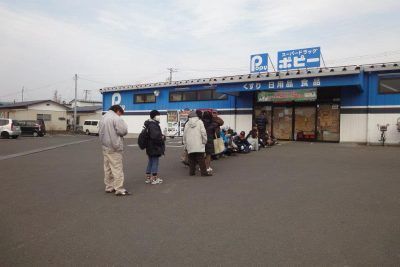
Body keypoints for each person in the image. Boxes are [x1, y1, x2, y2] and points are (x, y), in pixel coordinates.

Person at [99, 105, 130, 196]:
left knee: (107, 168)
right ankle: (119, 188)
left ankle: (109, 187)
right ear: (117, 111)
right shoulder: (116, 118)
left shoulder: (103, 117)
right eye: (120, 113)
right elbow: (123, 131)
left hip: (105, 146)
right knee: (117, 168)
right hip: (114, 146)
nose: (120, 115)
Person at [183, 111, 211, 176]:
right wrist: (204, 141)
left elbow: (184, 135)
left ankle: (192, 172)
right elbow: (203, 133)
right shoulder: (200, 122)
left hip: (190, 144)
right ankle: (204, 173)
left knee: (191, 159)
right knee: (201, 159)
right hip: (199, 143)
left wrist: (185, 143)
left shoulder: (187, 123)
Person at [144, 110, 165, 185]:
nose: (159, 117)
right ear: (154, 116)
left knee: (150, 162)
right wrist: (162, 137)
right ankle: (154, 178)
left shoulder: (149, 124)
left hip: (149, 146)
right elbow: (155, 136)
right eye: (158, 115)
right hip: (154, 147)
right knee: (155, 162)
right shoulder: (153, 125)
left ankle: (148, 178)